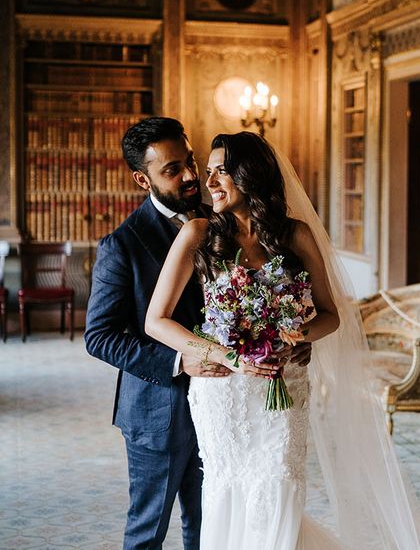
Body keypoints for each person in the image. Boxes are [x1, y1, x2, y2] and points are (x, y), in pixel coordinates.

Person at [145, 132, 420, 550]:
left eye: (220, 172)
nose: (209, 182)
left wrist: (299, 335)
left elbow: (330, 315)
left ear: (250, 175)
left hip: (284, 384)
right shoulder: (198, 233)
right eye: (207, 172)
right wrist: (227, 354)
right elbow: (157, 321)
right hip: (224, 391)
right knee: (227, 490)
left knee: (279, 482)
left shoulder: (295, 235)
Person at [84, 118, 309, 549]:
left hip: (231, 405)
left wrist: (293, 337)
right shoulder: (122, 244)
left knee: (213, 526)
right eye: (172, 169)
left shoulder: (223, 221)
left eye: (189, 162)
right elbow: (101, 336)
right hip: (159, 409)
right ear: (141, 178)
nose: (190, 176)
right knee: (148, 529)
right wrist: (178, 359)